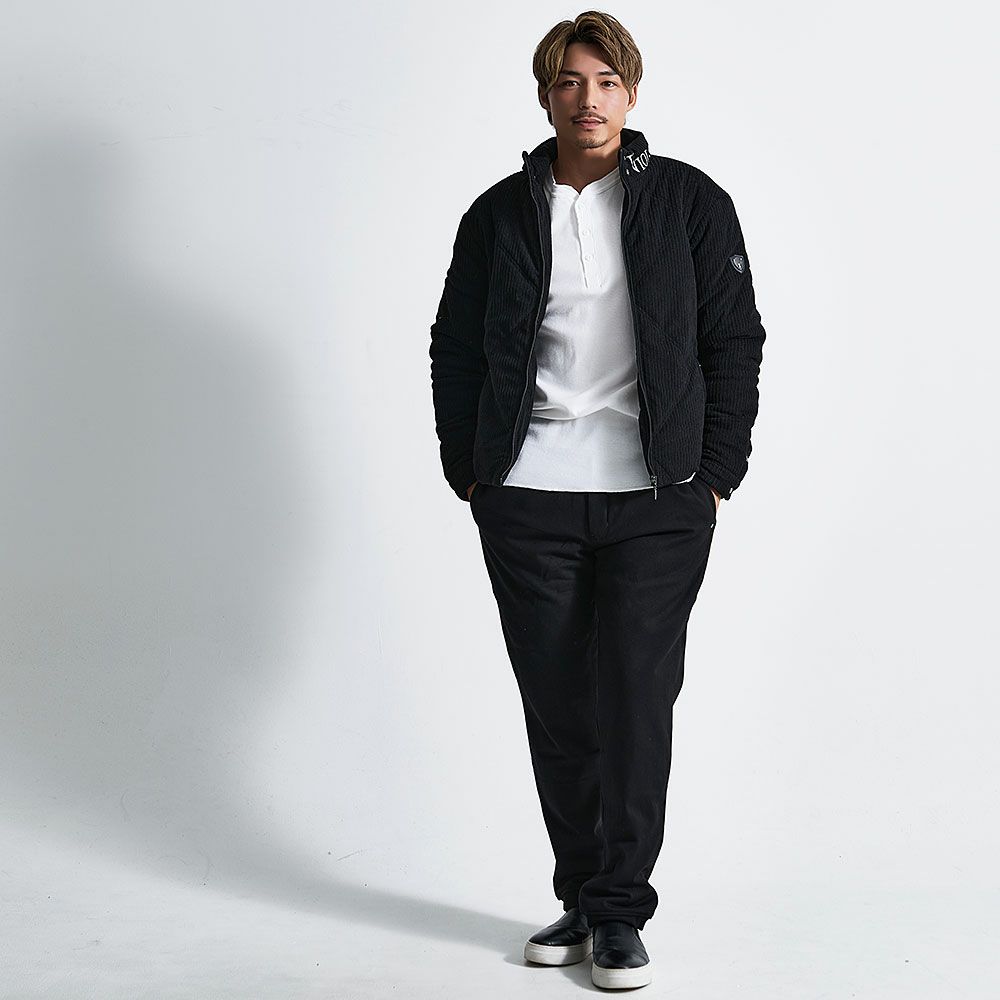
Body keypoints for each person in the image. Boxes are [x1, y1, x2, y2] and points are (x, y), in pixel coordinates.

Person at [428, 10, 766, 991]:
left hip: (656, 498)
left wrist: (715, 472)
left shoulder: (690, 202)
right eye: (571, 82)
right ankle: (580, 895)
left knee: (635, 701)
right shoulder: (500, 213)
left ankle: (620, 913)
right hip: (529, 495)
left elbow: (733, 339)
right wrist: (471, 471)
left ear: (632, 93)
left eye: (607, 82)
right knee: (557, 706)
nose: (590, 99)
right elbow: (453, 343)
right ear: (545, 96)